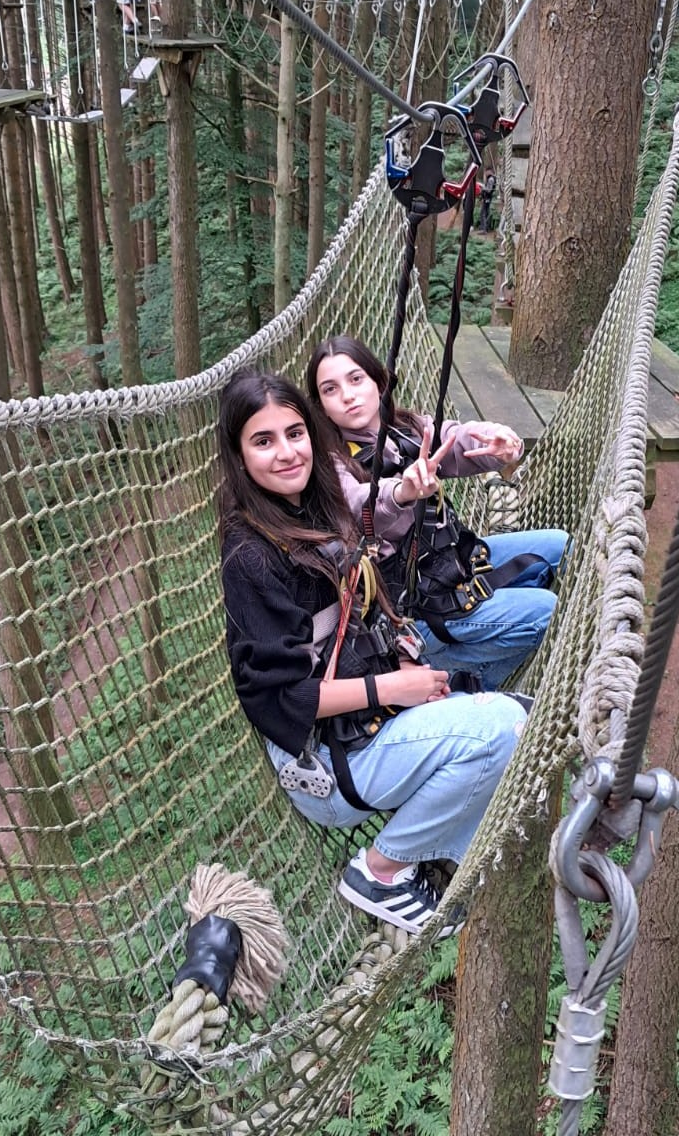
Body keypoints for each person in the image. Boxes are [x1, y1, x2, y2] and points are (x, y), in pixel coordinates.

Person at [218, 370, 526, 937]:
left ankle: (443, 852)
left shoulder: (316, 504)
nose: (287, 453)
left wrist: (402, 665)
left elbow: (369, 545)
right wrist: (392, 688)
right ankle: (381, 872)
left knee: (522, 715)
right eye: (264, 441)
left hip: (366, 723)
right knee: (503, 727)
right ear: (238, 456)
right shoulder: (250, 557)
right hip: (326, 768)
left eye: (295, 433)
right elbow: (280, 699)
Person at [306, 334, 569, 692]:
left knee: (562, 547)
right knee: (546, 611)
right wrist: (402, 492)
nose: (348, 395)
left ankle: (487, 659)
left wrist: (499, 442)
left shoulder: (406, 430)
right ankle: (456, 679)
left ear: (378, 382)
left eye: (356, 379)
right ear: (320, 406)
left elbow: (453, 439)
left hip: (455, 563)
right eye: (330, 389)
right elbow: (361, 506)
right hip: (417, 609)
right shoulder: (331, 465)